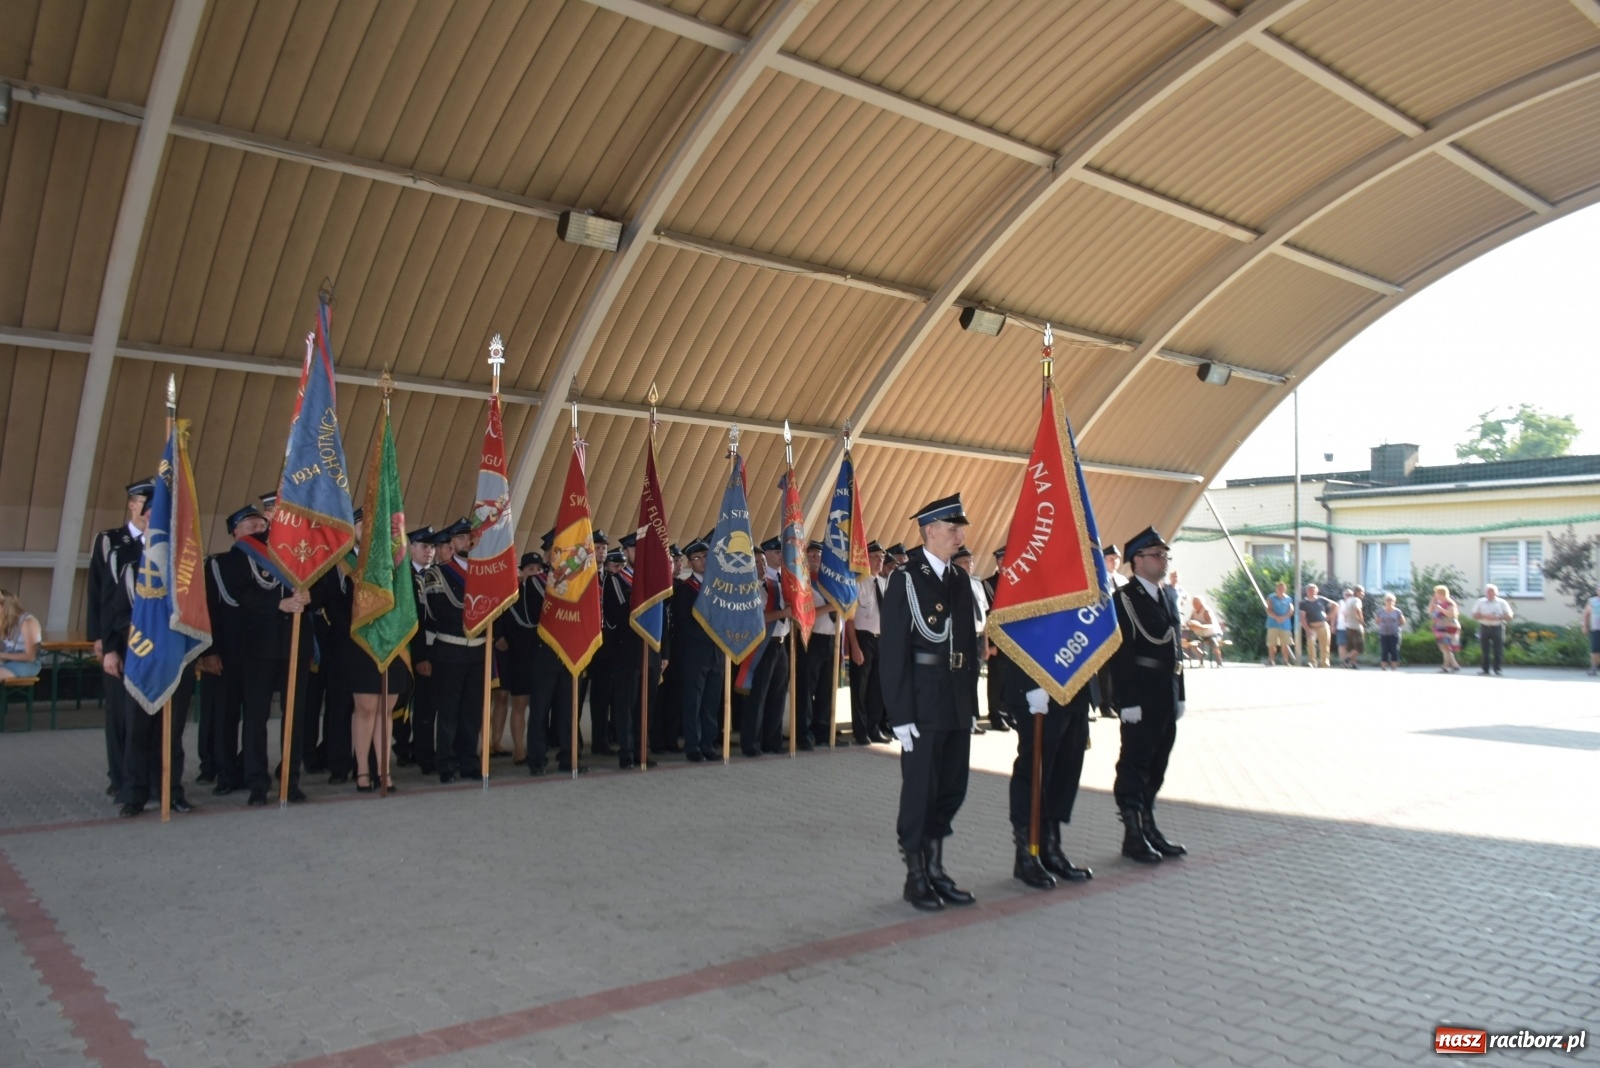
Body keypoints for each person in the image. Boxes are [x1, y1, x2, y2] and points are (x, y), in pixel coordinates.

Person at [880, 493, 981, 911]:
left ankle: (937, 868)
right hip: (922, 702)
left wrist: (971, 705)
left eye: (960, 528)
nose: (959, 535)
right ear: (929, 531)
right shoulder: (906, 578)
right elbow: (893, 651)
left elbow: (969, 648)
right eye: (952, 528)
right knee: (921, 790)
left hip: (955, 699)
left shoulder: (959, 580)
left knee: (952, 787)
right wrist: (900, 715)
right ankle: (916, 875)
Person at [1109, 527, 1187, 864]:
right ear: (1137, 561)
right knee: (1135, 763)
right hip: (1140, 691)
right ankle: (1133, 833)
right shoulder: (1124, 599)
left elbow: (1176, 645)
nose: (1163, 561)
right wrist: (1126, 700)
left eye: (1165, 555)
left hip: (1165, 690)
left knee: (1159, 761)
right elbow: (1121, 652)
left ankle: (1149, 824)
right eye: (1156, 555)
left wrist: (1180, 693)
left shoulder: (1168, 596)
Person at [87, 478, 151, 799]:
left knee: (147, 712)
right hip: (120, 639)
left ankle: (146, 777)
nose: (148, 507)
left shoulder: (163, 543)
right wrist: (100, 639)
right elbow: (98, 593)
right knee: (119, 712)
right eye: (143, 500)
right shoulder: (110, 541)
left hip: (153, 644)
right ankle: (120, 776)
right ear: (131, 504)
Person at [1003, 665, 1093, 890]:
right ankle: (1026, 854)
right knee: (1033, 770)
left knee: (1066, 769)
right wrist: (1033, 683)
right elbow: (1007, 632)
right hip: (1037, 686)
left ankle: (1050, 848)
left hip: (1073, 684)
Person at [417, 518, 486, 782]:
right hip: (451, 649)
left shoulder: (482, 572)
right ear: (451, 544)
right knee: (448, 710)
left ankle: (468, 760)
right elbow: (439, 611)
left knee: (471, 710)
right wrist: (475, 616)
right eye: (458, 539)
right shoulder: (439, 573)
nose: (464, 542)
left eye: (467, 538)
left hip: (477, 651)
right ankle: (445, 762)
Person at [671, 536, 722, 763]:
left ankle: (708, 744)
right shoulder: (685, 589)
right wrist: (711, 634)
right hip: (695, 653)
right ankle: (693, 746)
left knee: (712, 701)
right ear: (690, 563)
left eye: (706, 556)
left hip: (717, 653)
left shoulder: (720, 587)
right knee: (693, 701)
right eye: (697, 558)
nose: (703, 561)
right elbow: (684, 624)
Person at [744, 538, 792, 757]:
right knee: (759, 696)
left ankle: (772, 741)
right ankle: (751, 743)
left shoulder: (774, 584)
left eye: (763, 561)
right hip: (762, 645)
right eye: (757, 562)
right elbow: (758, 617)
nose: (762, 565)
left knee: (778, 695)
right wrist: (784, 613)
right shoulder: (749, 589)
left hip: (781, 643)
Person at [845, 541, 885, 744]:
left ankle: (874, 728)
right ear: (866, 559)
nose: (880, 561)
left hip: (882, 640)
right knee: (860, 687)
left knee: (877, 688)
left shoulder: (884, 583)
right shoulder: (857, 583)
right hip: (863, 638)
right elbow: (850, 620)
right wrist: (855, 646)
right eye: (876, 557)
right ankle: (861, 732)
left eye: (882, 557)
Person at [1471, 584, 1514, 676]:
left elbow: (1510, 615)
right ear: (1485, 592)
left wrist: (1498, 617)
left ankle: (1497, 669)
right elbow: (1474, 614)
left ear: (1496, 593)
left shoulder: (1502, 602)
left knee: (1498, 649)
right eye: (1488, 591)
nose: (1490, 593)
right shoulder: (1480, 602)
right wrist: (1484, 616)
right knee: (1484, 649)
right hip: (1484, 626)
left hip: (1497, 627)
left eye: (1492, 591)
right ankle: (1485, 669)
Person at [0, 589, 42, 680]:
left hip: (28, 663)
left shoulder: (27, 622)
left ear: (3, 606)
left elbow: (30, 656)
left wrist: (2, 655)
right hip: (7, 659)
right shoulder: (3, 621)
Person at [1297, 583, 1335, 668]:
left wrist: (1330, 616)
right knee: (1310, 643)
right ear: (1307, 591)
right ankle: (1312, 662)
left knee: (1325, 645)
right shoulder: (1304, 603)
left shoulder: (1321, 600)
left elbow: (1335, 605)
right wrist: (1307, 630)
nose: (1312, 592)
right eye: (1310, 590)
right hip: (1311, 627)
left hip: (1323, 626)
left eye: (1314, 590)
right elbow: (1302, 618)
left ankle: (1325, 663)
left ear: (1317, 591)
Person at [1428, 585, 1462, 673]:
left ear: (1441, 594)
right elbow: (1429, 611)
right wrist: (1432, 601)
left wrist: (1441, 609)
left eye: (1436, 593)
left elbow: (1452, 615)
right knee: (1444, 648)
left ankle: (1445, 666)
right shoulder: (1438, 603)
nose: (1435, 595)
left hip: (1449, 627)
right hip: (1440, 628)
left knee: (1445, 647)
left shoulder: (1450, 603)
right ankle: (1455, 665)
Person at [1184, 595, 1224, 666]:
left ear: (1201, 603)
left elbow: (1211, 623)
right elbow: (1190, 621)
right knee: (1192, 643)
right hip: (1201, 634)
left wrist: (1201, 626)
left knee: (1214, 643)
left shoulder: (1206, 611)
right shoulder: (1194, 611)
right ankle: (1202, 655)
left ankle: (1219, 662)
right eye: (1193, 603)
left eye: (1195, 603)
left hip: (1212, 633)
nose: (1194, 605)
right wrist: (1188, 624)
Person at [1264, 581, 1297, 666]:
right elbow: (1268, 610)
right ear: (1276, 589)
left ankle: (1285, 661)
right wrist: (1276, 617)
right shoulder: (1271, 597)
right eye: (1279, 588)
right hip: (1272, 624)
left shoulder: (1289, 599)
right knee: (1272, 643)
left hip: (1285, 625)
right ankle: (1271, 660)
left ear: (1285, 589)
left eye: (1283, 588)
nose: (1281, 590)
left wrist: (1284, 617)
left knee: (1285, 644)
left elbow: (1291, 610)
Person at [1373, 593, 1405, 670]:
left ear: (1394, 601)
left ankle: (1394, 666)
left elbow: (1402, 621)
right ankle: (1383, 666)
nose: (1389, 601)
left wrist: (1396, 626)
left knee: (1394, 650)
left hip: (1394, 633)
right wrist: (1380, 622)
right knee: (1384, 650)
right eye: (1387, 600)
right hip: (1383, 633)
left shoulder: (1397, 611)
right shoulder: (1380, 611)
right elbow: (1377, 621)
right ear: (1385, 601)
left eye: (1391, 600)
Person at [1339, 585, 1366, 669]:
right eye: (1362, 592)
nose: (1363, 594)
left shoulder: (1349, 600)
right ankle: (1346, 660)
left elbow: (1345, 613)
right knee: (1359, 647)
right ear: (1357, 592)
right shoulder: (1357, 600)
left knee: (1352, 648)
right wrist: (1360, 619)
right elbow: (1357, 609)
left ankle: (1353, 664)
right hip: (1356, 626)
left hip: (1348, 626)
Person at [1584, 584, 1600, 676]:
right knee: (1595, 650)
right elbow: (1586, 614)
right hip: (1596, 629)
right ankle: (1594, 668)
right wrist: (1585, 626)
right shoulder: (1592, 601)